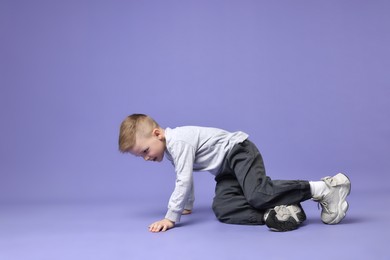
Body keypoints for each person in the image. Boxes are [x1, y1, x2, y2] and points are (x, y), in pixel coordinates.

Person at [118, 114, 351, 232]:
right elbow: (184, 175)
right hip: (225, 171)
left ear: (157, 134)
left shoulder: (178, 141)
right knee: (222, 208)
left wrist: (172, 216)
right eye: (141, 156)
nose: (147, 157)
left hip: (239, 152)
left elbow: (184, 179)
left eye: (146, 151)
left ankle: (326, 188)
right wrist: (187, 205)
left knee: (257, 194)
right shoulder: (171, 150)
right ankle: (279, 212)